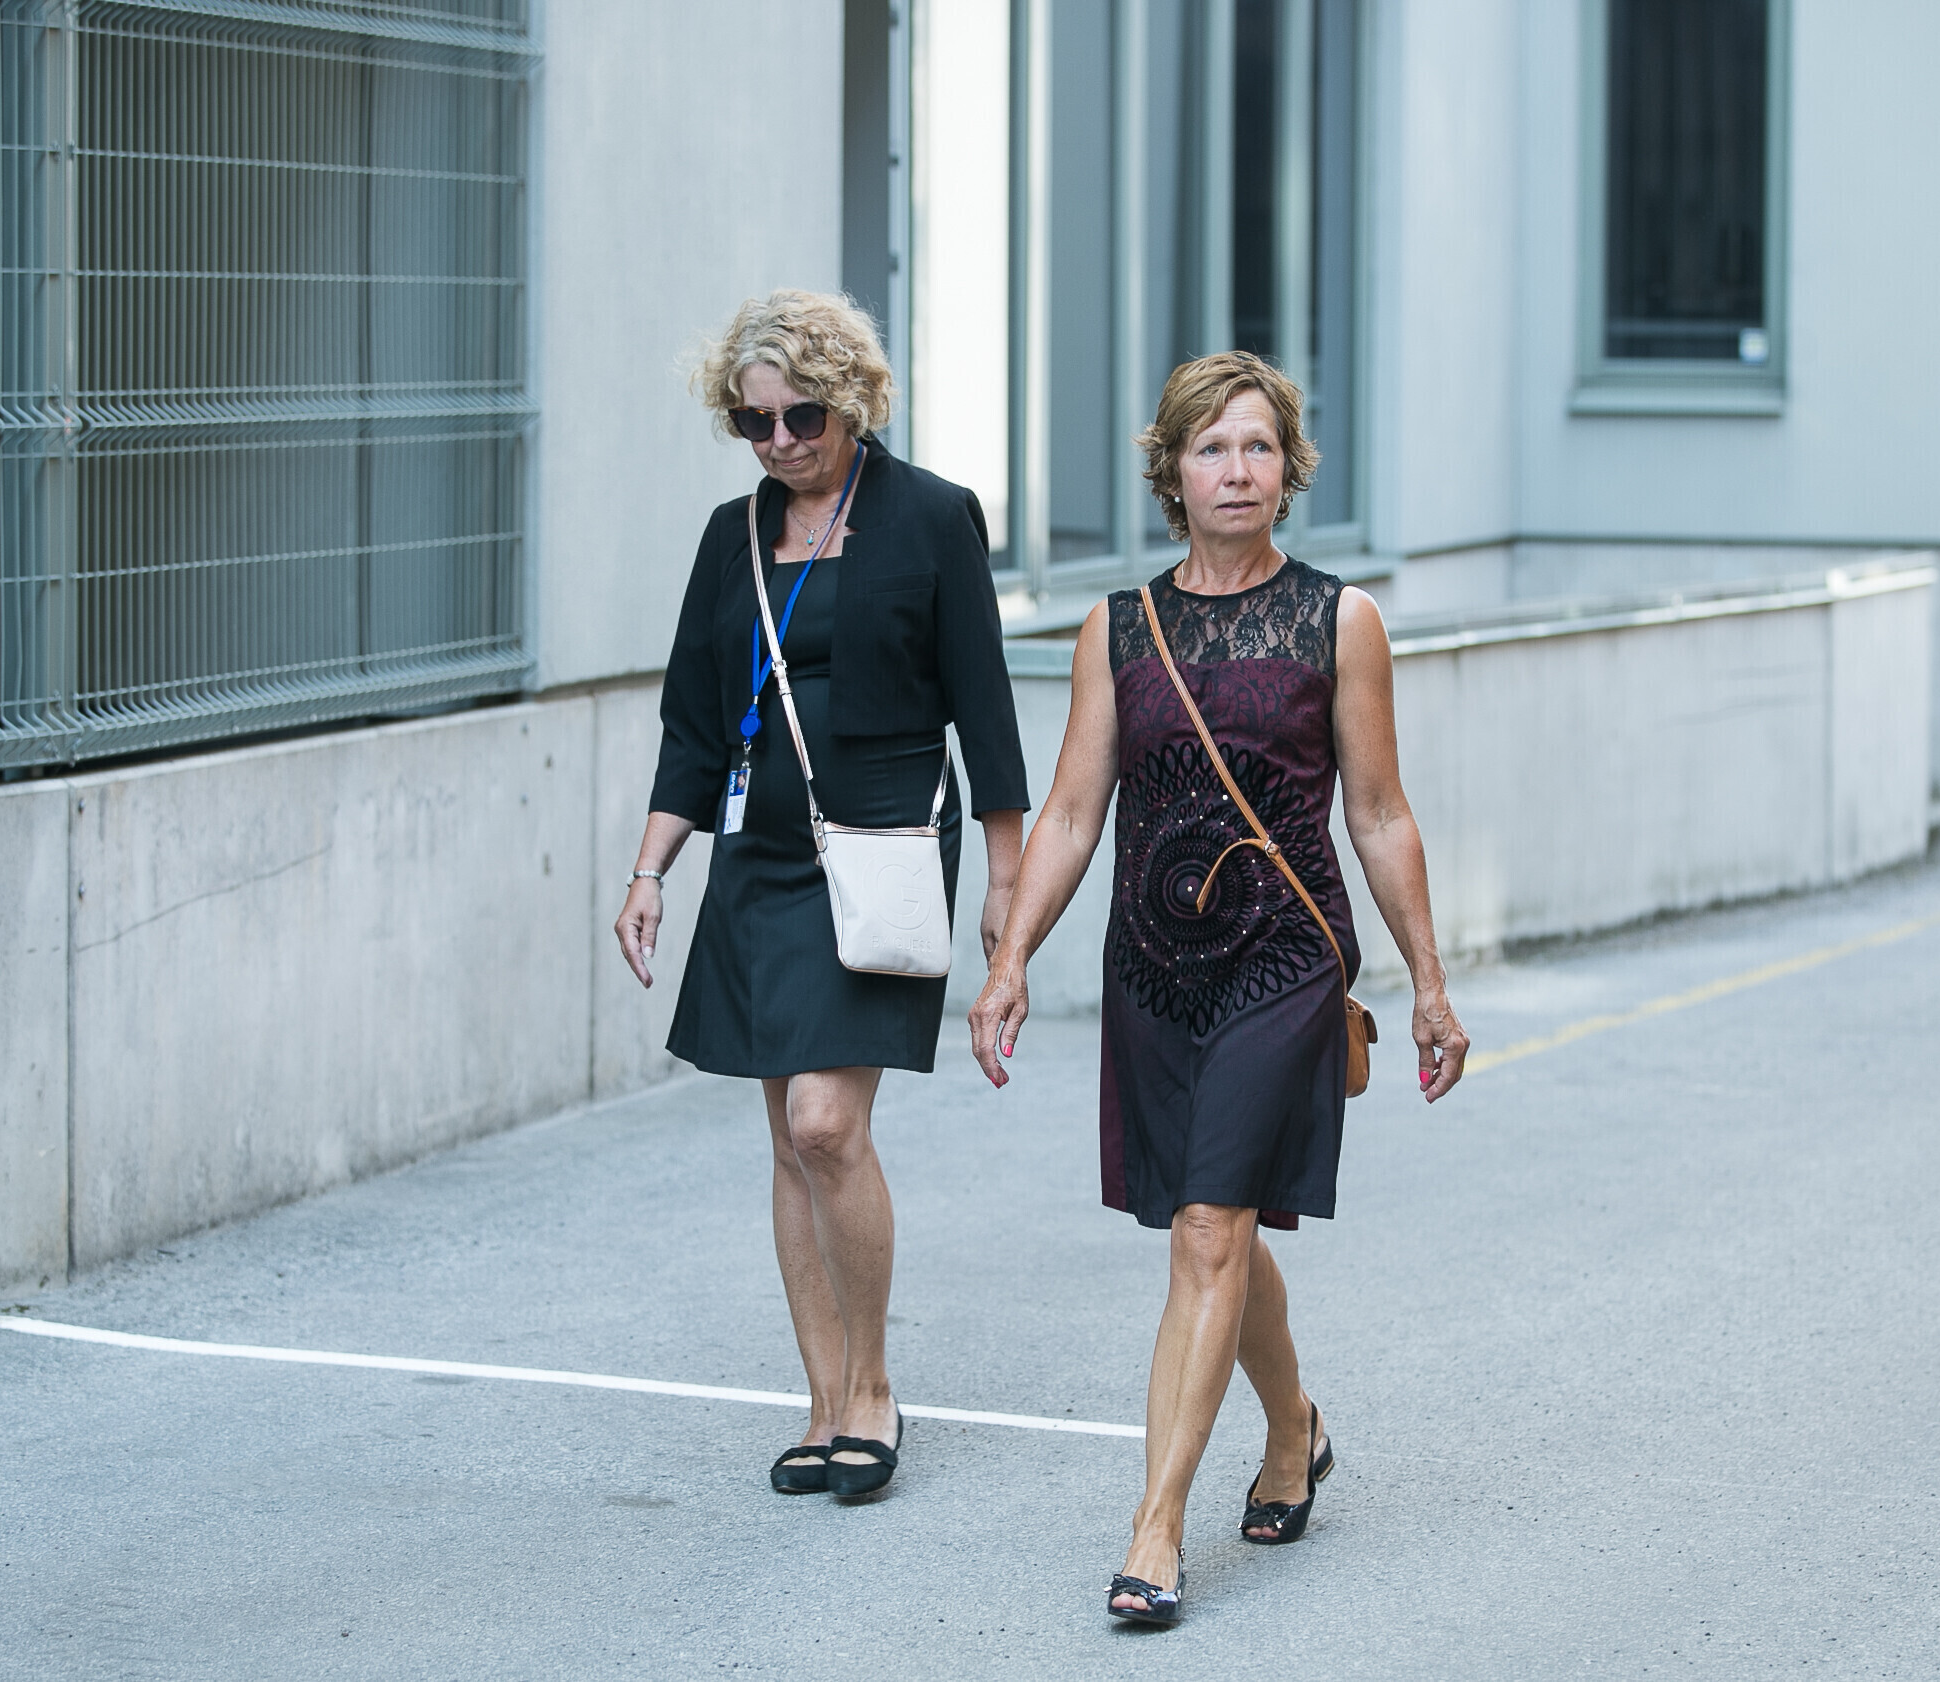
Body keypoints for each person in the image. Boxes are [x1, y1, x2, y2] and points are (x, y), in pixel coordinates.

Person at [965, 351, 1468, 1622]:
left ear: (1287, 469)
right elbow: (1071, 811)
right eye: (1210, 447)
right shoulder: (1119, 628)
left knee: (1207, 1230)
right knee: (1214, 1221)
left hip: (1283, 961)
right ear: (1172, 472)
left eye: (1257, 446)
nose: (1235, 469)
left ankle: (1155, 1528)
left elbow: (1380, 811)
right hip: (1152, 967)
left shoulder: (1340, 621)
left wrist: (1428, 982)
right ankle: (1294, 1424)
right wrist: (1013, 957)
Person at [615, 290, 1028, 1500]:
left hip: (882, 850)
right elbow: (694, 723)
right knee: (786, 1142)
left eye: (802, 416)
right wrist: (650, 870)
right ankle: (821, 1396)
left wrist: (1007, 884)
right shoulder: (731, 536)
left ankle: (875, 1385)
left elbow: (986, 711)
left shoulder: (932, 518)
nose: (781, 441)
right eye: (755, 423)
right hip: (761, 857)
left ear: (851, 402)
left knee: (824, 1123)